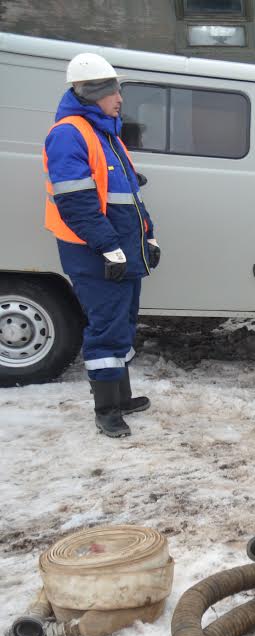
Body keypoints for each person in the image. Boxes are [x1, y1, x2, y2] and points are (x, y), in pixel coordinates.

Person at [43, 52, 160, 438]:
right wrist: (108, 246)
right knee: (106, 328)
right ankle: (106, 410)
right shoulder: (69, 134)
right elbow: (75, 202)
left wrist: (148, 234)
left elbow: (128, 195)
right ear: (93, 92)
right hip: (95, 252)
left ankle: (121, 397)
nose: (120, 98)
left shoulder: (105, 133)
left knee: (122, 323)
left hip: (122, 248)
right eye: (113, 90)